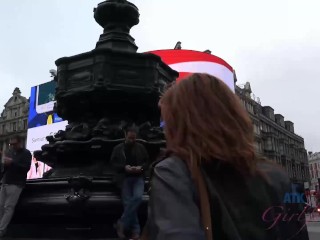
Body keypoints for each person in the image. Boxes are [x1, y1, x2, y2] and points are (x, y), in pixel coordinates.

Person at [142, 73, 309, 240]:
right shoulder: (276, 175)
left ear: (183, 125)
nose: (164, 130)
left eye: (166, 122)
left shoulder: (175, 172)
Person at [110, 128, 149, 240]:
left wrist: (141, 168)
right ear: (125, 136)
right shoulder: (118, 149)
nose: (132, 140)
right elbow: (113, 163)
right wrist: (124, 168)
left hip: (138, 178)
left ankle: (121, 224)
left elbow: (147, 162)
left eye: (134, 138)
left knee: (137, 198)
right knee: (129, 204)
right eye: (130, 138)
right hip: (124, 178)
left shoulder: (141, 147)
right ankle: (136, 232)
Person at [0, 135, 31, 237]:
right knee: (0, 207)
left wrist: (12, 162)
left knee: (8, 207)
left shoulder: (26, 153)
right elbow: (5, 168)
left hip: (16, 183)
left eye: (14, 144)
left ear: (20, 143)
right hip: (5, 182)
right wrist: (4, 164)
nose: (12, 146)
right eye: (10, 144)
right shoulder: (10, 152)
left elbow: (25, 168)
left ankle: (1, 230)